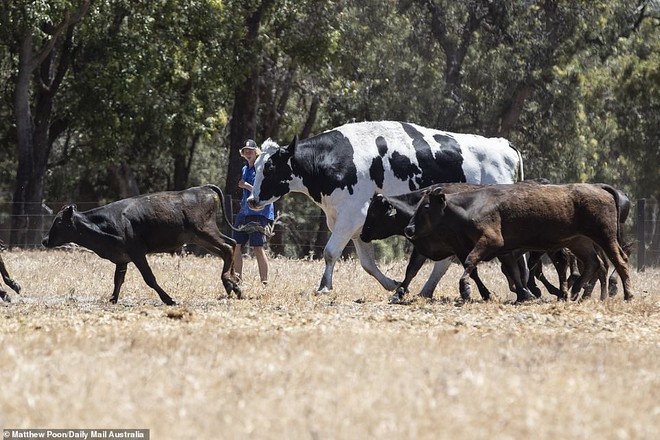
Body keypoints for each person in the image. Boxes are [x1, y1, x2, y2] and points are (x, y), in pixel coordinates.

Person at [232, 139, 275, 285]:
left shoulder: (261, 167)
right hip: (244, 212)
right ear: (243, 154)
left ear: (256, 152)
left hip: (259, 213)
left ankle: (264, 282)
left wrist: (246, 185)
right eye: (245, 151)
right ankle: (237, 280)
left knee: (257, 247)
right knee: (235, 245)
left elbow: (263, 190)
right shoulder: (245, 169)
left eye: (251, 150)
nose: (248, 153)